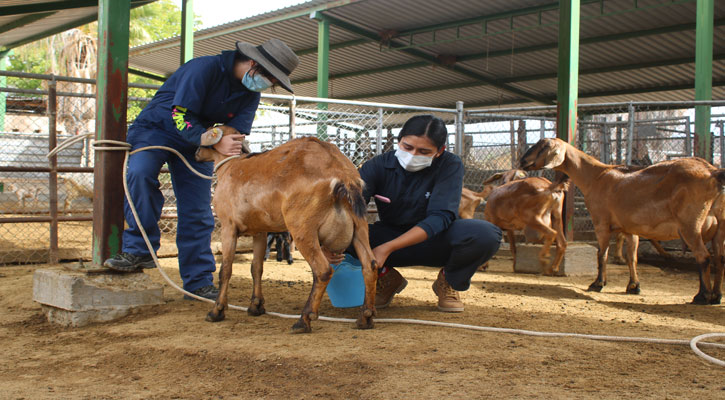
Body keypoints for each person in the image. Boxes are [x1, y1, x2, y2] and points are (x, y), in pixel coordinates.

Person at [104, 39, 299, 300]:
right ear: (254, 64)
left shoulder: (250, 93)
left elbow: (236, 133)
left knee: (197, 209)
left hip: (201, 142)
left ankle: (197, 282)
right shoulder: (202, 69)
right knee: (139, 173)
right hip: (157, 130)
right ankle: (139, 249)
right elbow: (180, 116)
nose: (270, 85)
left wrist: (222, 139)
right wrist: (215, 138)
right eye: (271, 78)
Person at [326, 115, 502, 312]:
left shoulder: (450, 165)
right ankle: (386, 277)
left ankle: (449, 280)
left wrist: (387, 249)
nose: (412, 155)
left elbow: (440, 217)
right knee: (343, 234)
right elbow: (349, 208)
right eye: (407, 147)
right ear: (399, 141)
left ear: (439, 151)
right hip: (389, 234)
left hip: (436, 238)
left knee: (486, 234)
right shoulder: (377, 166)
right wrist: (328, 244)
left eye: (424, 151)